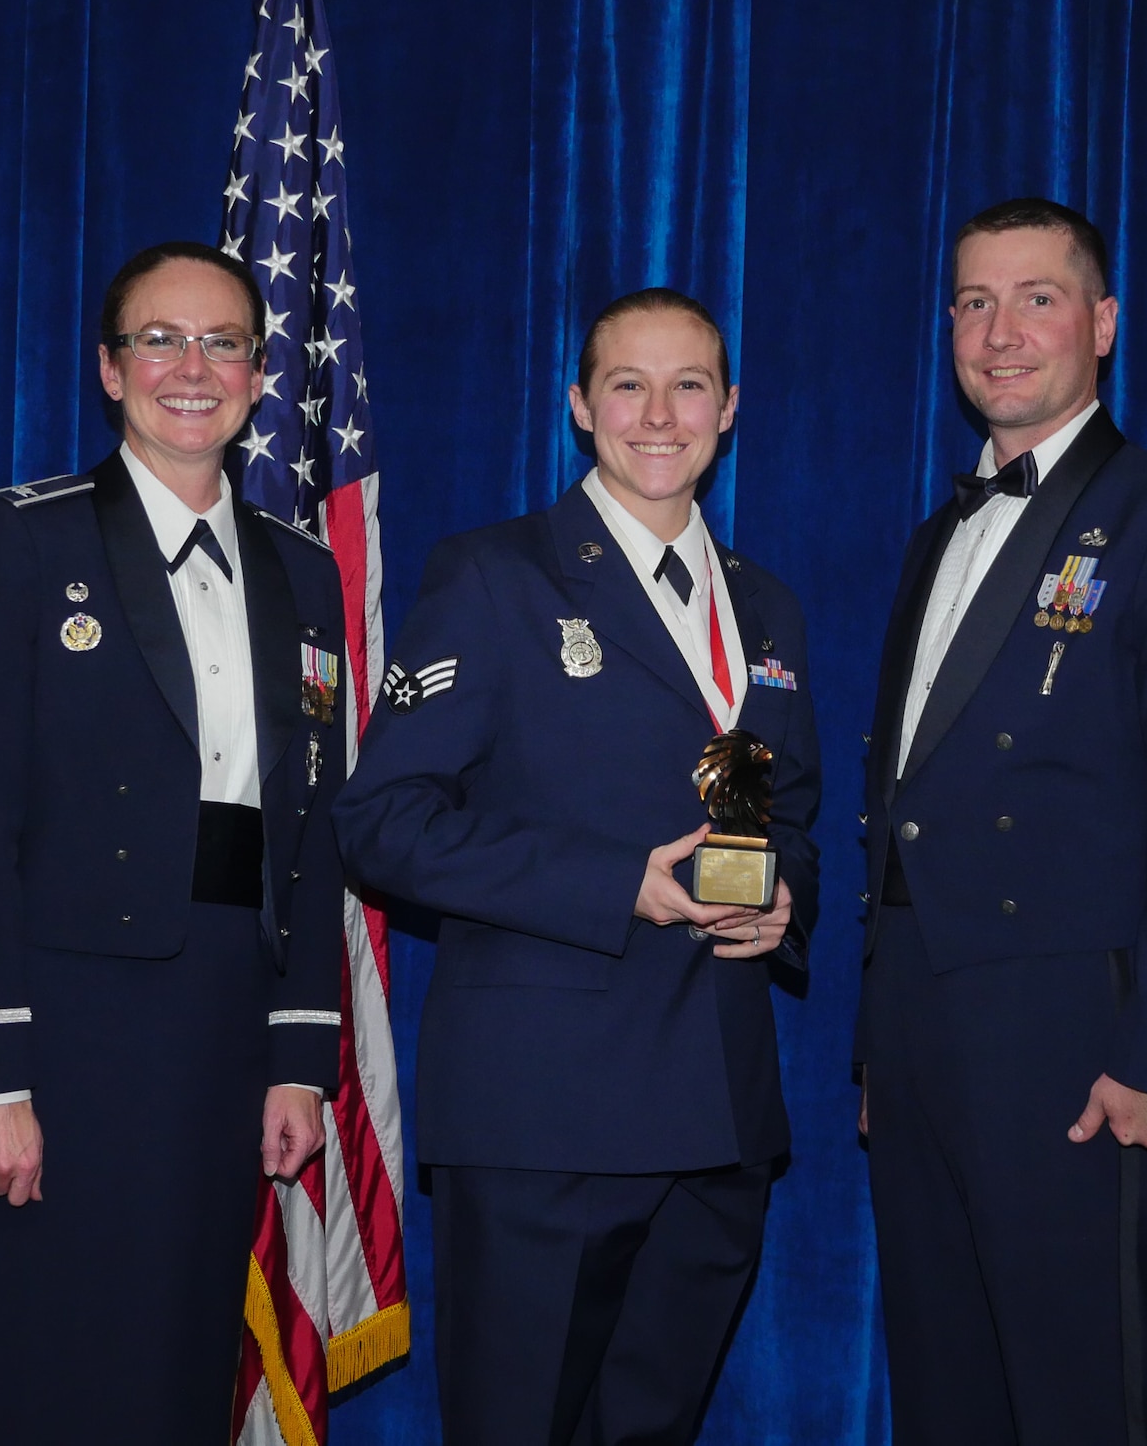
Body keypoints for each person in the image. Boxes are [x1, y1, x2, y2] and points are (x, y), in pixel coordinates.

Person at [332, 287, 820, 1445]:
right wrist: (612, 885)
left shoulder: (764, 609)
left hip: (720, 1114)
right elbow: (380, 820)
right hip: (544, 1116)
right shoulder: (495, 577)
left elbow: (777, 806)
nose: (660, 414)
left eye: (689, 384)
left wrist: (778, 898)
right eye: (627, 385)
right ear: (578, 408)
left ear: (730, 407)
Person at [855, 198, 1147, 1445]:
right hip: (927, 1039)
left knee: (1078, 1399)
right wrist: (885, 1045)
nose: (1000, 333)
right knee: (947, 1397)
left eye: (1035, 298)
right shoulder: (938, 533)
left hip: (1077, 1040)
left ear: (1100, 323)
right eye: (974, 303)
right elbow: (905, 809)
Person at [0, 240, 346, 1443]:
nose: (192, 367)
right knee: (37, 1358)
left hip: (223, 1023)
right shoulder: (28, 541)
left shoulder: (305, 577)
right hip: (62, 1029)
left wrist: (297, 1055)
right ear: (110, 371)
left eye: (223, 344)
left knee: (176, 1360)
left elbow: (314, 833)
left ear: (262, 377)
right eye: (161, 339)